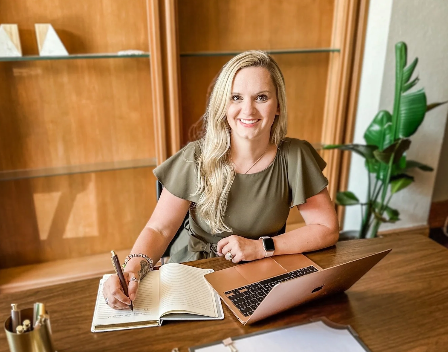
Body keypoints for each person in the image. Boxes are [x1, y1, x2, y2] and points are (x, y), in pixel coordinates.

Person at [103, 50, 339, 310]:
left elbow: (326, 228)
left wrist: (262, 247)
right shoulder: (194, 157)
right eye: (236, 97)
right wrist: (131, 272)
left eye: (261, 97)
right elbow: (159, 229)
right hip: (194, 270)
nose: (247, 110)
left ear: (278, 105)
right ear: (223, 105)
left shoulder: (295, 155)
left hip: (261, 270)